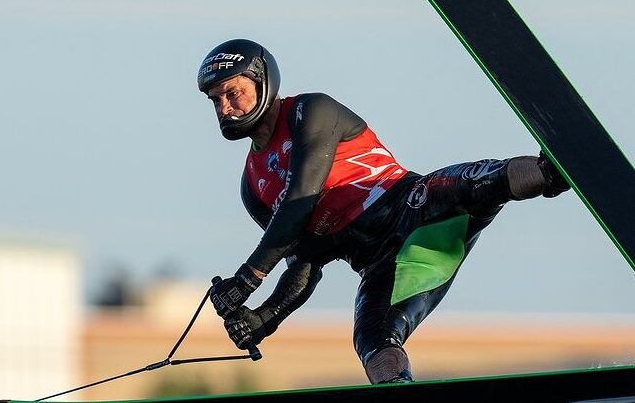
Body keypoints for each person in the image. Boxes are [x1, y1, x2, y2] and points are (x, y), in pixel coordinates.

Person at [198, 38, 569, 384]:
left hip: (411, 207)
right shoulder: (253, 187)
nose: (225, 108)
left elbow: (301, 199)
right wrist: (264, 318)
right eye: (216, 100)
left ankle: (554, 171)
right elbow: (304, 263)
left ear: (263, 83)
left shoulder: (310, 111)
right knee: (374, 342)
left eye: (234, 93)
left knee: (480, 183)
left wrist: (247, 278)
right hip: (385, 266)